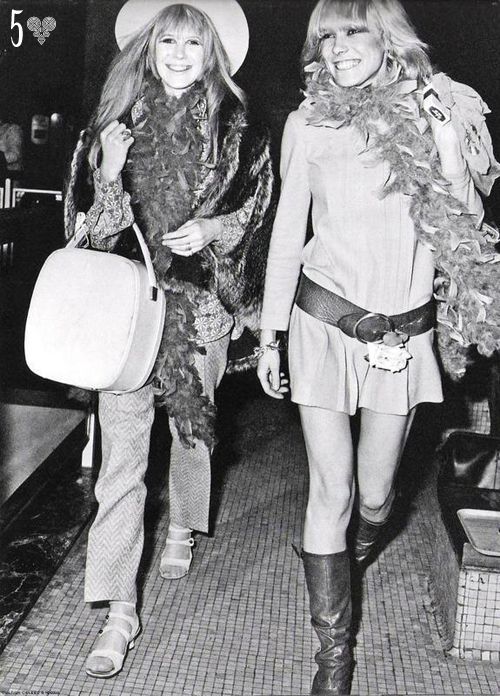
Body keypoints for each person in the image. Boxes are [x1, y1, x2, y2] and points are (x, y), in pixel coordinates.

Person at [257, 1, 500, 694]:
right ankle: (335, 658)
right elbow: (285, 235)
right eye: (325, 37)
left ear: (386, 36)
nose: (336, 48)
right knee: (328, 493)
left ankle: (347, 559)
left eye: (351, 32)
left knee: (375, 496)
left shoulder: (437, 107)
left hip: (402, 335)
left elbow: (467, 224)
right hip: (322, 323)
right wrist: (271, 333)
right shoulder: (307, 124)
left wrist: (450, 147)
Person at [65, 0, 274, 679]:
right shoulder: (112, 124)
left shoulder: (239, 131)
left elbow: (256, 213)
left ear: (212, 52)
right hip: (127, 315)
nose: (180, 54)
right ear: (147, 50)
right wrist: (107, 173)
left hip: (203, 311)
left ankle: (183, 521)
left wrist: (212, 232)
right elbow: (88, 236)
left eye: (193, 42)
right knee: (122, 462)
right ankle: (119, 609)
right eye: (167, 42)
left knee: (194, 429)